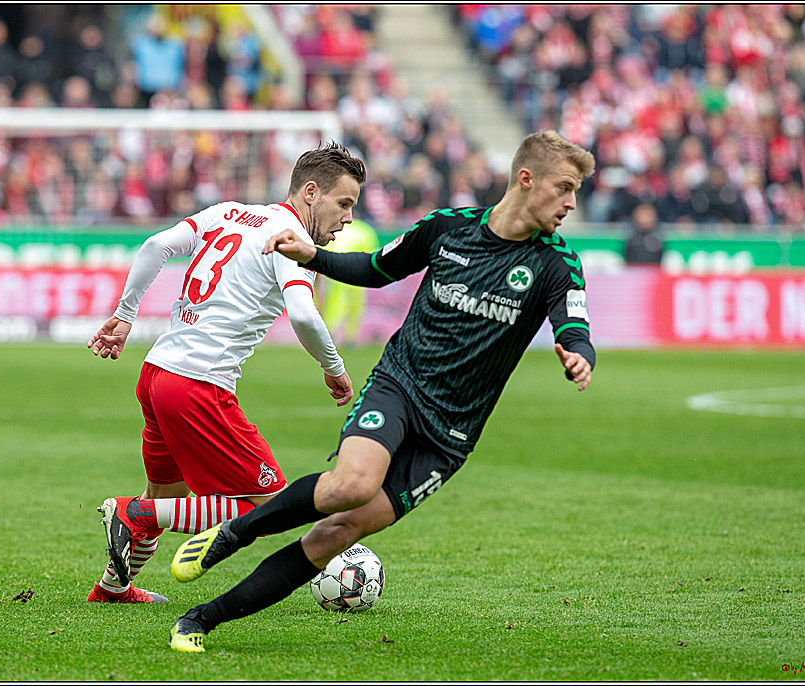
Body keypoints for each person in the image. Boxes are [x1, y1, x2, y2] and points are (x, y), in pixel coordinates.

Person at [167, 130, 598, 651]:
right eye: (566, 187)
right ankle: (231, 536)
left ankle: (199, 620)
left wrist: (579, 354)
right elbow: (376, 269)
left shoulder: (556, 262)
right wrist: (311, 256)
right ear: (527, 180)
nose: (572, 203)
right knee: (349, 485)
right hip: (399, 385)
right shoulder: (448, 229)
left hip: (450, 436)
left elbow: (573, 324)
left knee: (335, 534)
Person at [84, 142, 366, 603]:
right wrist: (333, 367)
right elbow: (304, 314)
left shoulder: (230, 212)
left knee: (165, 494)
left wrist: (125, 313)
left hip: (157, 374)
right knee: (270, 504)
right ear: (311, 192)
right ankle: (130, 513)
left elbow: (156, 245)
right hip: (199, 384)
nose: (348, 218)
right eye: (344, 203)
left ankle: (115, 585)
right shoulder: (292, 237)